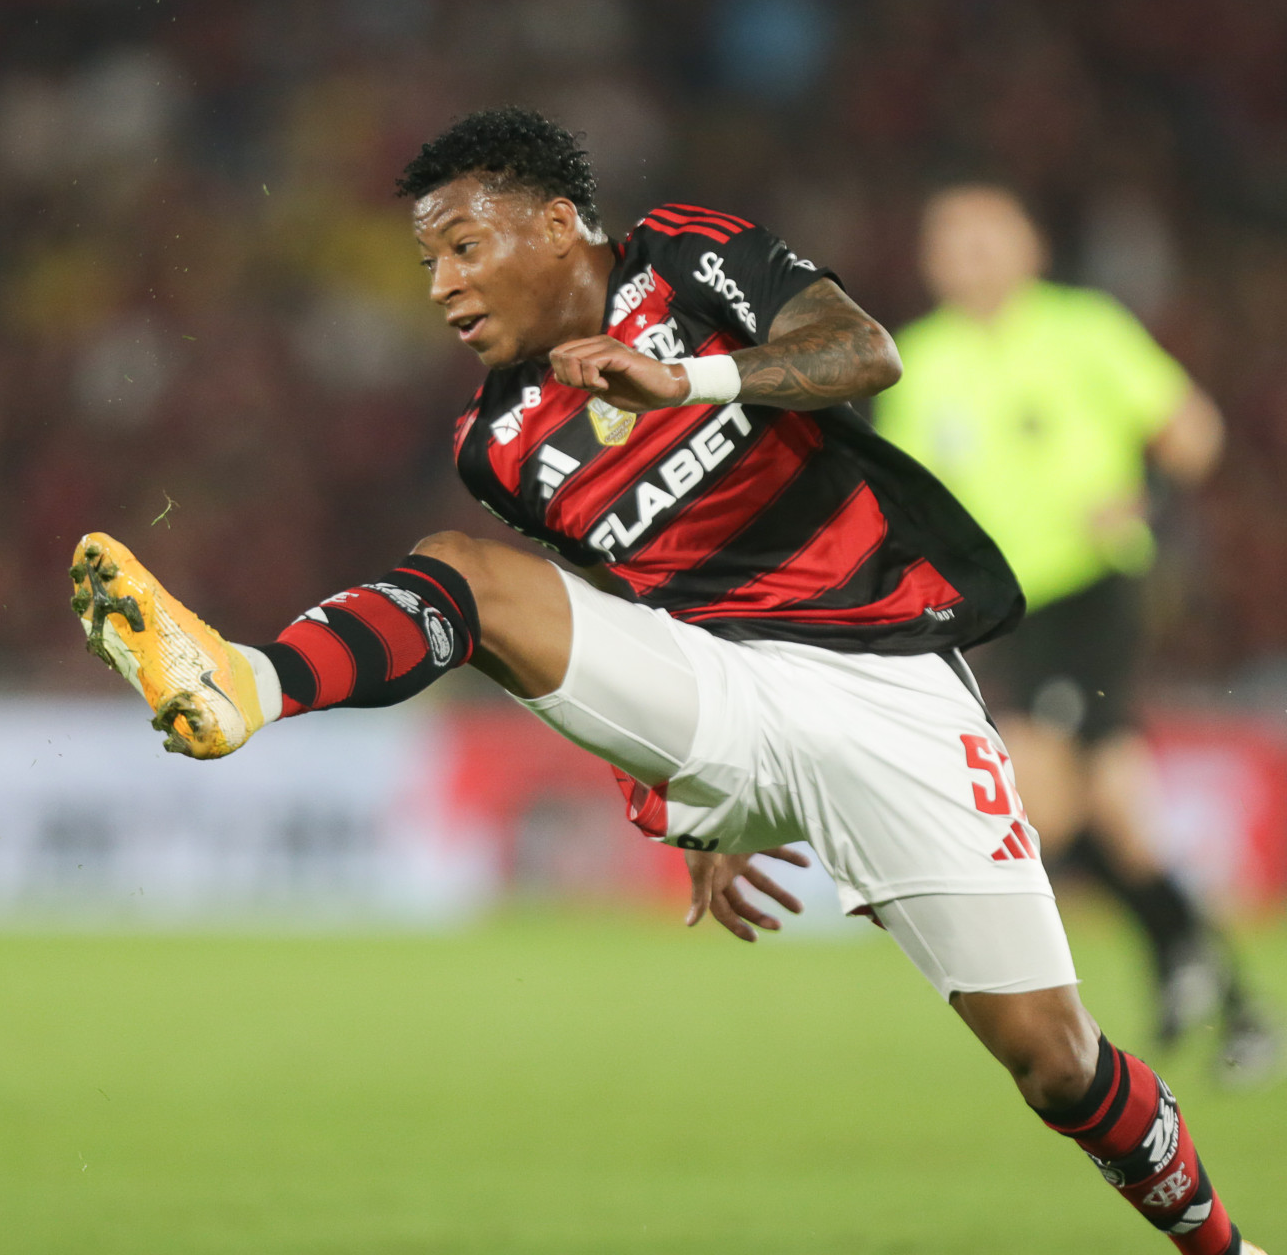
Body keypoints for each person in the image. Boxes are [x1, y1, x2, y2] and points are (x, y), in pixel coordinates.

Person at [67, 109, 1263, 1253]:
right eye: (429, 261)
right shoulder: (496, 442)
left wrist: (690, 382)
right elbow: (620, 603)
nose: (441, 288)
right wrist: (682, 793)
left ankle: (1222, 1242)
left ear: (554, 223)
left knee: (1055, 1059)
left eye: (463, 247)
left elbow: (864, 352)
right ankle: (249, 680)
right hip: (727, 693)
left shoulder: (686, 257)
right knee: (469, 583)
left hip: (886, 681)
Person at [873, 185, 1276, 1079]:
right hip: (1001, 613)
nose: (968, 254)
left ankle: (1095, 1022)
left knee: (1043, 800)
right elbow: (907, 501)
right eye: (951, 239)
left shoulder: (1082, 330)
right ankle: (1220, 991)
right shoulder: (921, 362)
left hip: (1093, 593)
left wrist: (1147, 500)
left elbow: (1193, 432)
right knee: (1118, 817)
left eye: (986, 235)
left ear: (1030, 247)